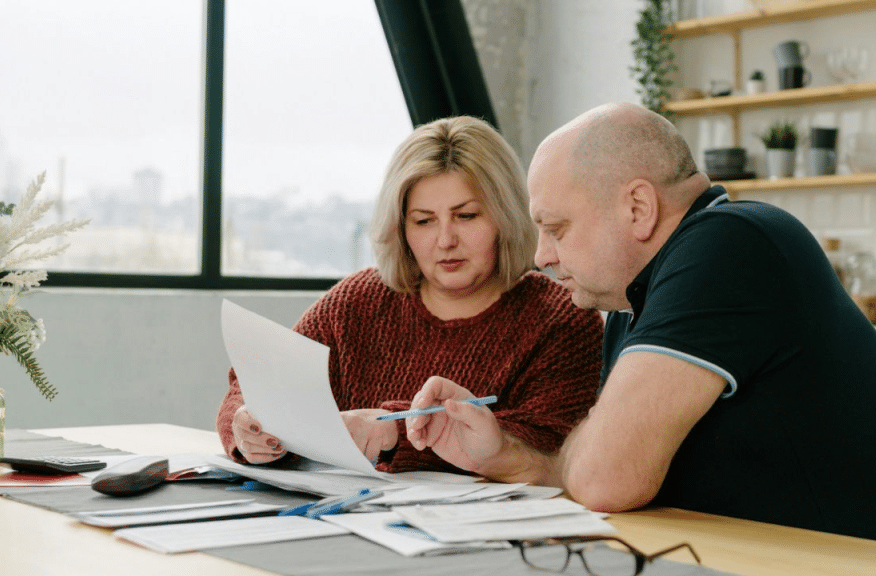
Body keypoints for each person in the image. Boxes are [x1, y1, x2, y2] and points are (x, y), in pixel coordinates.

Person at [404, 102, 876, 549]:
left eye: (556, 228)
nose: (542, 255)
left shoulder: (731, 244)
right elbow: (600, 468)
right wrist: (505, 455)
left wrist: (590, 453)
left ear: (638, 207)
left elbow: (603, 479)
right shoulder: (636, 299)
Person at [216, 115, 603, 474]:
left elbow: (550, 448)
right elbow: (255, 386)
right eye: (423, 221)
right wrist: (246, 423)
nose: (446, 241)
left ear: (505, 216)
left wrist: (392, 434)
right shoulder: (357, 302)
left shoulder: (563, 317)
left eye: (466, 216)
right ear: (400, 228)